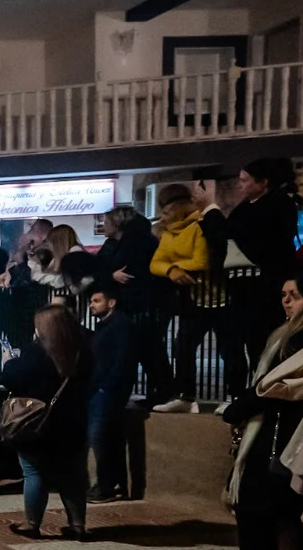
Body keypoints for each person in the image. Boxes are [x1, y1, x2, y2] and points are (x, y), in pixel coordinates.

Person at [222, 273, 303, 550]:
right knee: (291, 529)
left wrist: (238, 407)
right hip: (293, 449)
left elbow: (274, 389)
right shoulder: (289, 336)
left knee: (256, 523)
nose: (286, 302)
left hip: (281, 448)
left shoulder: (302, 340)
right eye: (283, 294)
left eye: (294, 295)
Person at [206, 158, 300, 398]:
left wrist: (212, 210)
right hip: (242, 287)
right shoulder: (247, 206)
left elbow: (237, 233)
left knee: (264, 342)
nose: (240, 185)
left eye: (245, 180)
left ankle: (266, 389)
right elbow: (227, 235)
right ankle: (246, 391)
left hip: (264, 285)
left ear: (264, 182)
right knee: (244, 342)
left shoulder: (277, 205)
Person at [3, 304, 93, 541]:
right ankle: (78, 525)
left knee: (34, 473)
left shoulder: (37, 352)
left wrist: (8, 361)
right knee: (73, 475)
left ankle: (32, 524)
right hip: (73, 424)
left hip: (39, 424)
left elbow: (12, 379)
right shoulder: (81, 351)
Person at [150, 186, 218, 413]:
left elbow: (202, 261)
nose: (162, 217)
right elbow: (155, 264)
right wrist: (171, 270)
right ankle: (186, 397)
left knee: (230, 348)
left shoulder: (198, 226)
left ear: (178, 210)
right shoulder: (168, 233)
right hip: (191, 299)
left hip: (216, 297)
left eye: (166, 212)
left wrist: (172, 267)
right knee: (183, 346)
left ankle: (236, 394)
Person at [98, 207, 174, 407]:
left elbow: (117, 269)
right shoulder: (139, 240)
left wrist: (109, 275)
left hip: (140, 305)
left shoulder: (132, 244)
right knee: (149, 350)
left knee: (145, 350)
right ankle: (160, 390)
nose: (103, 226)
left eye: (106, 222)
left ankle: (161, 390)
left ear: (117, 223)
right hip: (146, 304)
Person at [86, 285, 137, 503]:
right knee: (102, 438)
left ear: (111, 302)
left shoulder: (121, 326)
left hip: (108, 391)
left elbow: (122, 360)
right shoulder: (104, 326)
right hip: (100, 389)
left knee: (100, 437)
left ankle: (107, 486)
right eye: (91, 301)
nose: (91, 305)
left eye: (96, 300)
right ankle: (108, 484)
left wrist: (107, 386)